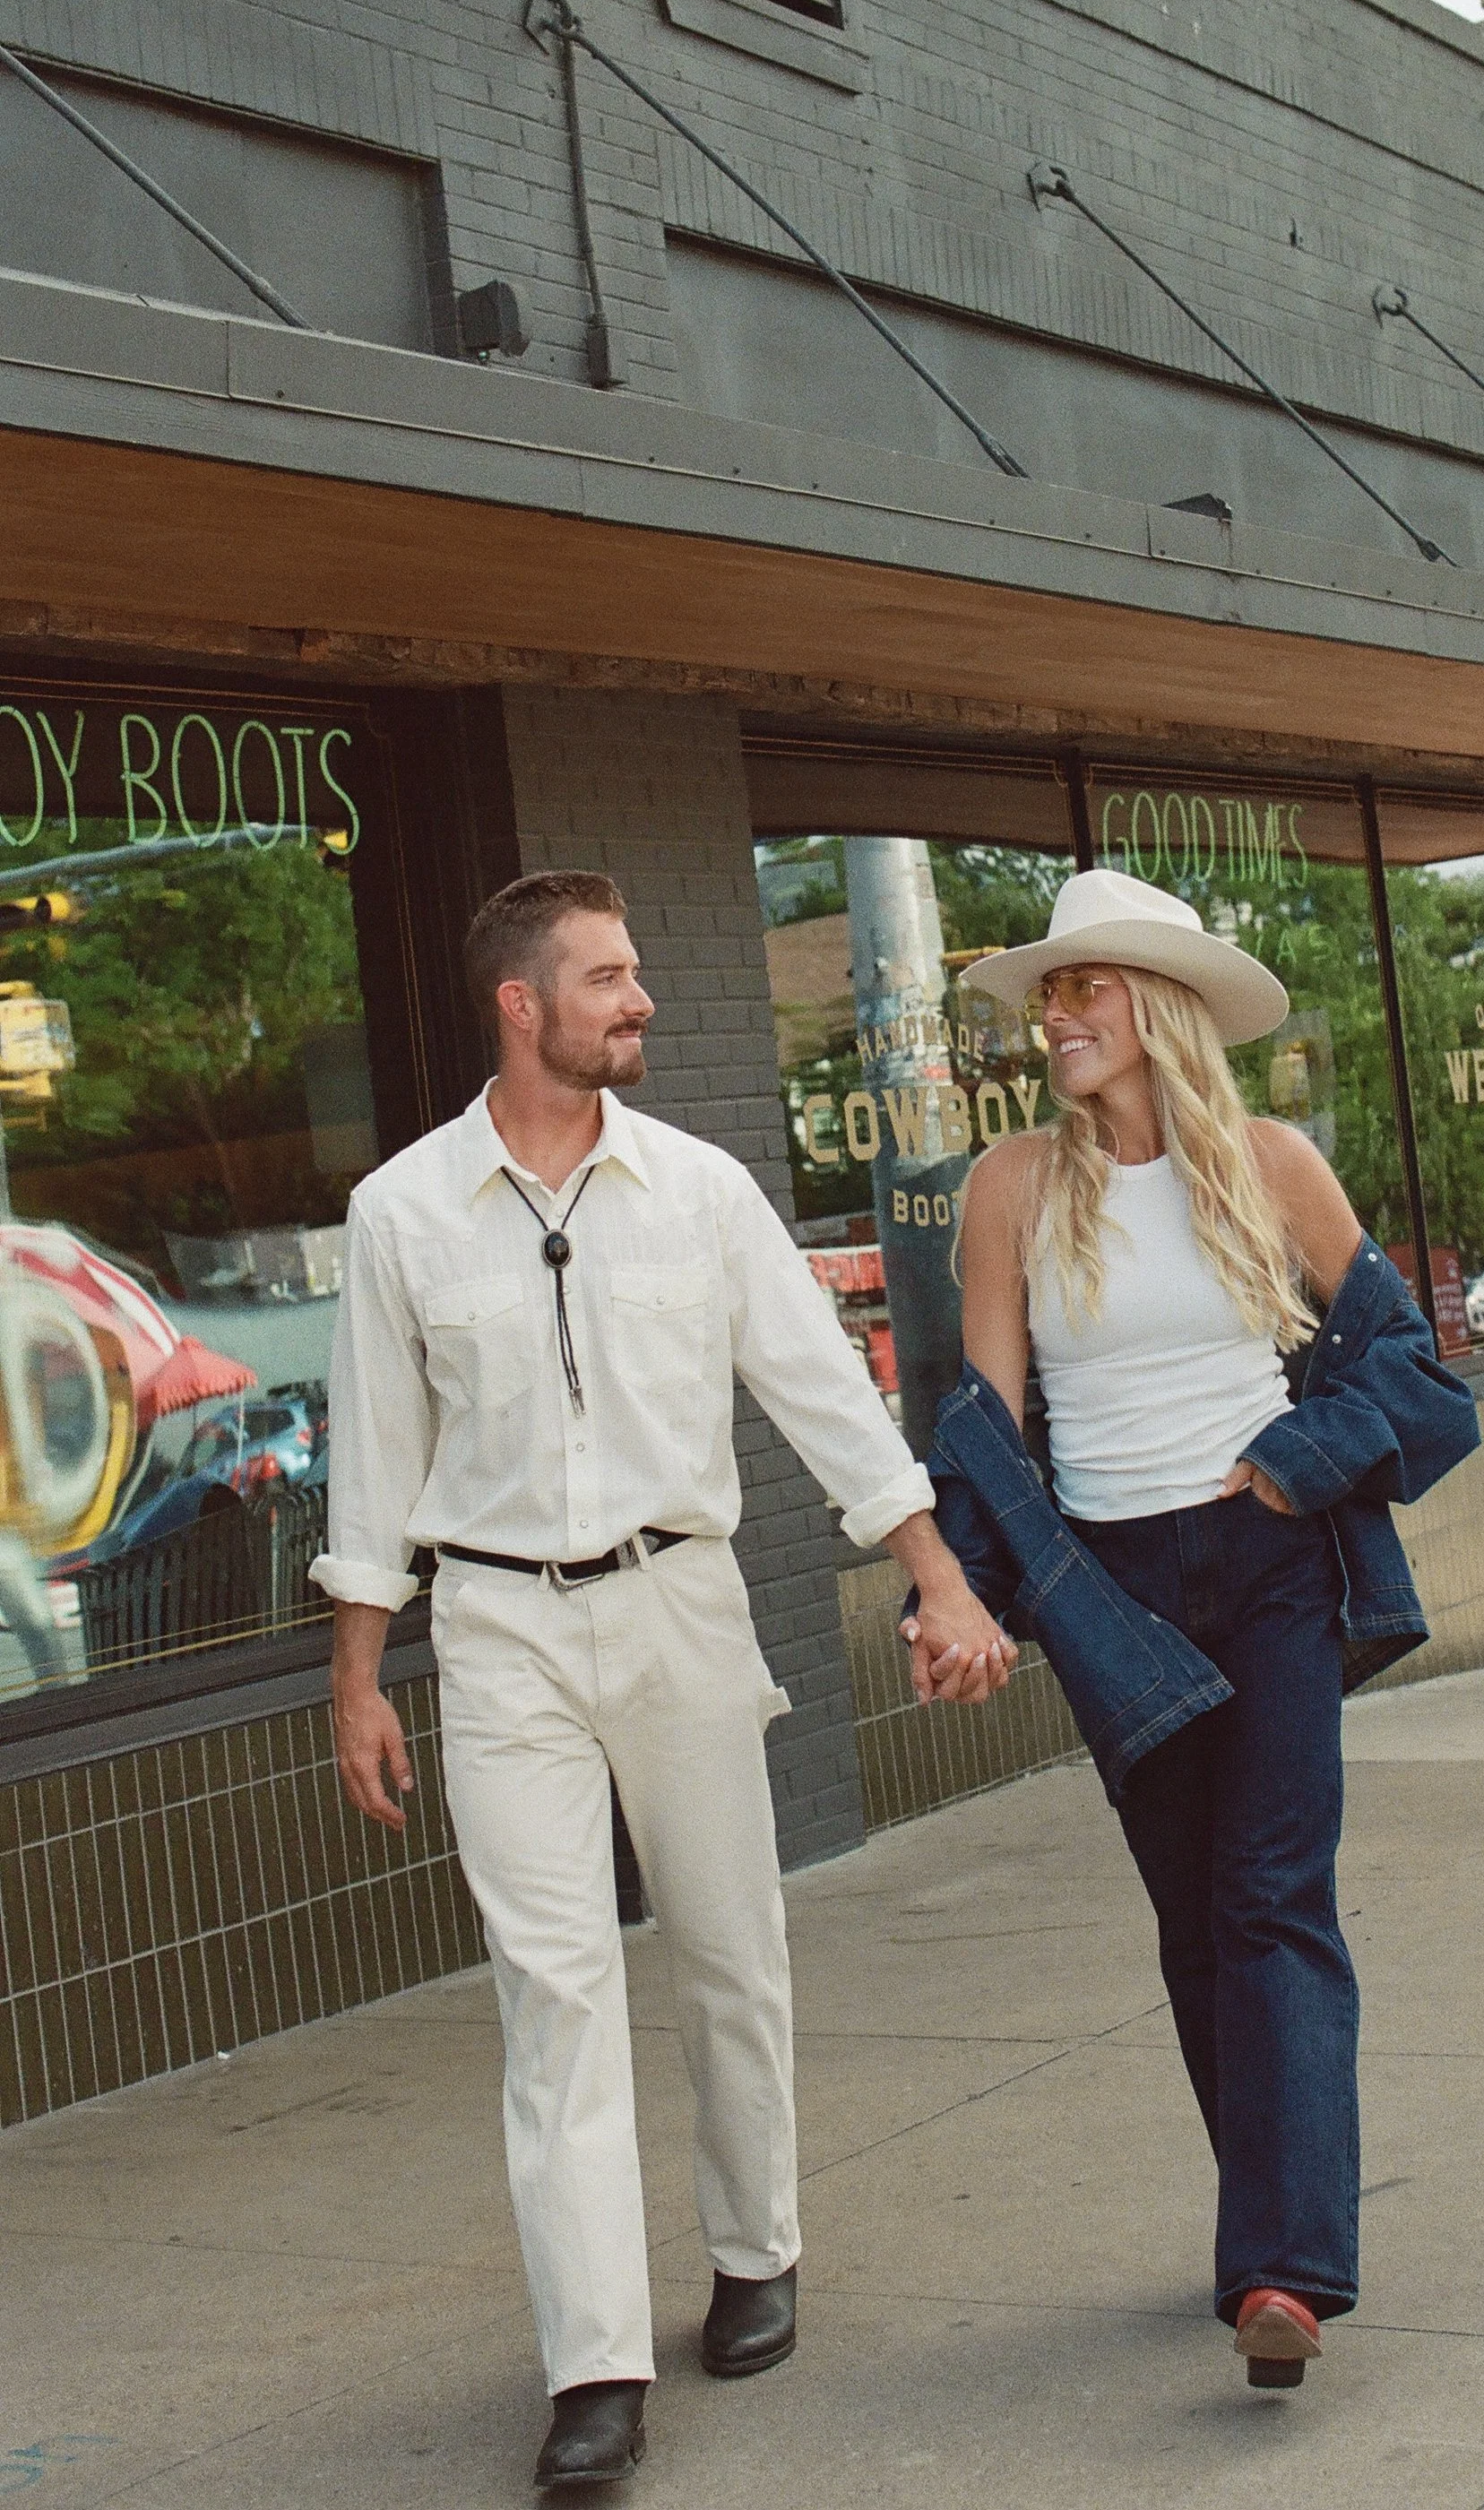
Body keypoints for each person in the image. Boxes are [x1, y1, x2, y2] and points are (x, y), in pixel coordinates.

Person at [313, 870, 1013, 2489]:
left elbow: (821, 1396)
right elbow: (374, 1463)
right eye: (609, 976)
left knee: (726, 1949)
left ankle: (755, 2244)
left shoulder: (697, 1189)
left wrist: (935, 1567)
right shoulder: (403, 1210)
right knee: (550, 1995)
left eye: (634, 971)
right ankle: (594, 2363)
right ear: (519, 1002)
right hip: (498, 1636)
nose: (639, 999)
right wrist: (360, 1678)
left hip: (680, 1606)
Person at [941, 868, 1410, 2391]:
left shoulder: (1269, 1163)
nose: (1054, 1014)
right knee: (1196, 1916)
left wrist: (1294, 1460)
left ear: (1160, 1006)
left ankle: (1282, 2264)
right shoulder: (1011, 1183)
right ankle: (1266, 2214)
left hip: (1269, 1562)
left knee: (1271, 1890)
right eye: (1047, 993)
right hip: (1114, 1593)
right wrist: (948, 1591)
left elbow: (1402, 1360)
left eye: (1083, 986)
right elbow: (985, 1426)